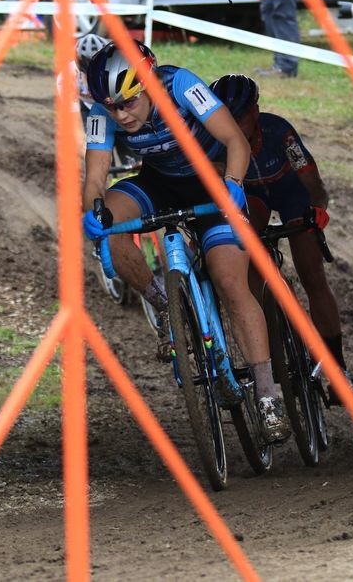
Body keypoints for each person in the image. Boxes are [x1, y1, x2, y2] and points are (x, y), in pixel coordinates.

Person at [80, 41, 290, 441]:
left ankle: (267, 394)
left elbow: (235, 141)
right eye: (111, 107)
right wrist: (92, 212)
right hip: (161, 183)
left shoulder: (181, 86)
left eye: (128, 103)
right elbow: (95, 175)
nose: (120, 115)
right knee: (108, 219)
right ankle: (164, 306)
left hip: (213, 180)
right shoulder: (101, 114)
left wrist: (233, 186)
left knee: (230, 280)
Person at [209, 74, 353, 399]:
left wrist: (317, 209)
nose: (231, 124)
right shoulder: (214, 140)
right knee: (250, 260)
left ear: (255, 112)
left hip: (291, 194)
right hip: (253, 198)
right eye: (224, 116)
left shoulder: (280, 133)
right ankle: (273, 335)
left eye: (239, 117)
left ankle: (338, 368)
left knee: (313, 275)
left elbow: (314, 184)